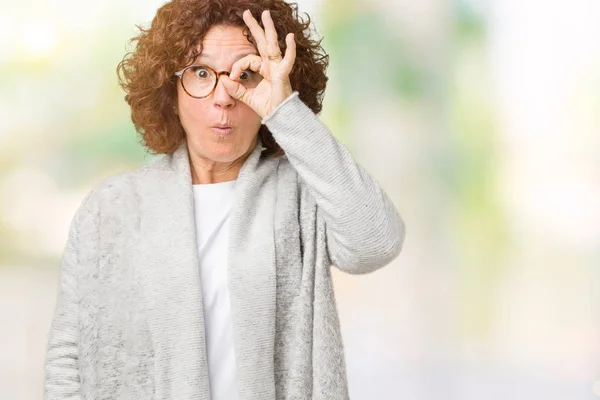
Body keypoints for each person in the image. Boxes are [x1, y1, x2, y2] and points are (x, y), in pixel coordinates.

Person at [44, 0, 405, 399]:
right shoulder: (112, 208)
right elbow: (69, 359)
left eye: (246, 75)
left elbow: (378, 242)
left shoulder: (303, 196)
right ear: (169, 90)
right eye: (201, 73)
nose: (224, 97)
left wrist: (284, 111)